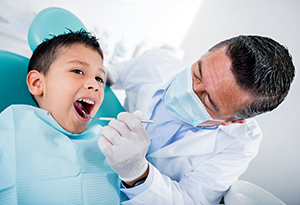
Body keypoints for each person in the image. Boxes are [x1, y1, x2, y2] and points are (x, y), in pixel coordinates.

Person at [99, 35, 295, 204]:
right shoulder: (155, 62)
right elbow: (113, 73)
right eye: (197, 74)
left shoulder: (240, 144)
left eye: (207, 100)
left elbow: (192, 200)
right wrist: (94, 77)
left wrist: (137, 173)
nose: (189, 90)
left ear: (233, 121)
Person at [0, 30, 132, 204]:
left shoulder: (107, 144)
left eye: (99, 78)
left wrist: (134, 174)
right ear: (37, 83)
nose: (94, 85)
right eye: (78, 71)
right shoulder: (11, 128)